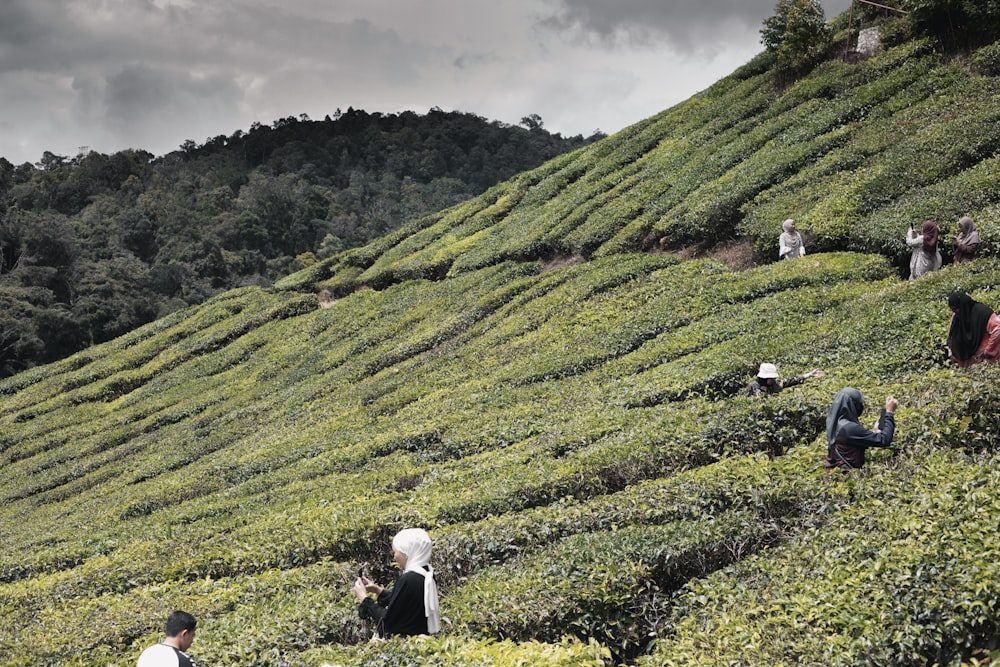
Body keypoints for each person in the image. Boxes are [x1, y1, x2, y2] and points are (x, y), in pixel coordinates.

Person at [353, 528, 440, 638]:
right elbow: (405, 602)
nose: (394, 557)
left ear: (407, 552)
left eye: (396, 552)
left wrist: (364, 599)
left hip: (407, 645)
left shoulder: (408, 579)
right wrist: (378, 590)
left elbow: (387, 622)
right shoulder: (426, 572)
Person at [824, 388, 898, 471]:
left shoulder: (836, 424)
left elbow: (856, 441)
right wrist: (889, 413)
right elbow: (884, 440)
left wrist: (875, 430)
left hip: (834, 474)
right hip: (847, 477)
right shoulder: (850, 428)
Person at [946, 290, 1000, 367]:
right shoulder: (957, 315)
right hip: (968, 359)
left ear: (962, 306)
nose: (954, 312)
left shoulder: (983, 313)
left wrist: (988, 351)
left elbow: (997, 329)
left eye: (955, 309)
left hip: (983, 357)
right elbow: (951, 332)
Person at [743, 362, 823, 397]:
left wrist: (809, 375)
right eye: (771, 378)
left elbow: (789, 381)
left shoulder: (774, 383)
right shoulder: (754, 386)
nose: (773, 380)